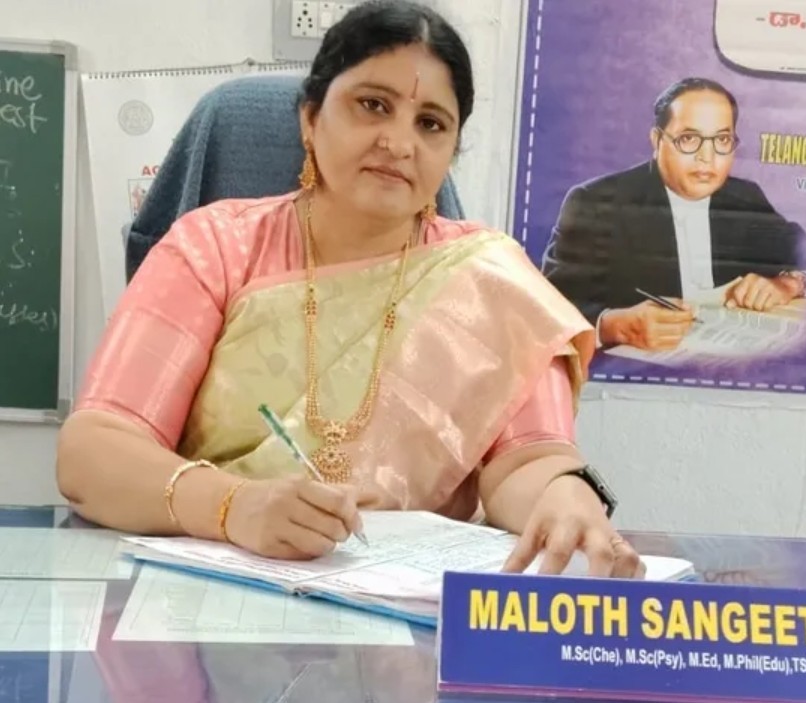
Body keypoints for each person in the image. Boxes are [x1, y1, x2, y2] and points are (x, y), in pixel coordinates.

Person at [56, 0, 642, 579]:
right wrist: (232, 506)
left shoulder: (492, 280)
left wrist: (565, 495)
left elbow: (529, 461)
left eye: (431, 124)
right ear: (310, 119)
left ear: (450, 152)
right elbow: (92, 454)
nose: (399, 142)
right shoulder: (214, 248)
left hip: (404, 605)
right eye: (373, 105)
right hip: (213, 587)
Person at [541, 77, 806, 352]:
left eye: (722, 140)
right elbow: (547, 311)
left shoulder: (745, 197)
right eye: (689, 139)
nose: (707, 157)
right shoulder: (596, 203)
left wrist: (791, 283)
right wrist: (615, 326)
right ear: (657, 140)